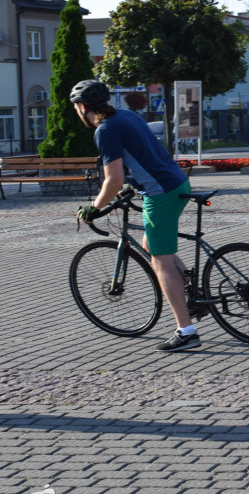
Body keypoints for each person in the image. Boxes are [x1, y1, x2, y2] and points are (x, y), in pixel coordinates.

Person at [71, 80, 198, 352]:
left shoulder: (104, 130)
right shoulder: (126, 115)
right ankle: (191, 286)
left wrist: (93, 207)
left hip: (160, 193)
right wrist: (134, 184)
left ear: (82, 108)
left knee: (161, 262)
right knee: (150, 244)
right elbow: (145, 154)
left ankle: (186, 331)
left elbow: (113, 180)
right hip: (177, 182)